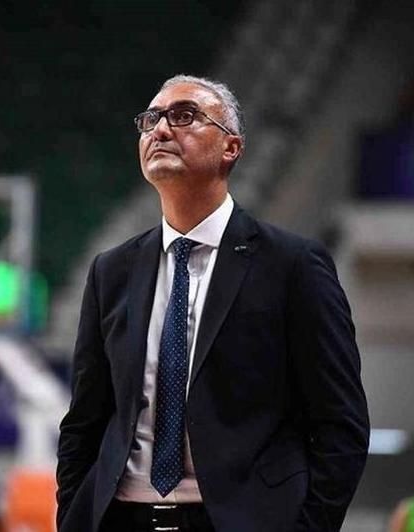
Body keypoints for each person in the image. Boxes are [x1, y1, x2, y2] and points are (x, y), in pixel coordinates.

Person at [56, 74, 370, 532]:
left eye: (183, 116)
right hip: (121, 518)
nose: (161, 130)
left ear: (231, 148)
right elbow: (84, 421)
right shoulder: (112, 271)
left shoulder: (293, 265)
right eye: (151, 120)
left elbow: (340, 423)